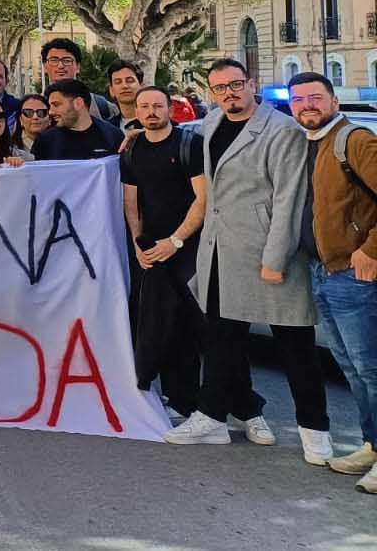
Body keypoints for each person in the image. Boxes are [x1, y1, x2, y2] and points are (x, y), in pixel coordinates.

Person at [164, 59, 329, 465]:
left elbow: (289, 198)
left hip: (269, 253)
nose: (229, 93)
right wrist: (133, 134)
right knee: (222, 340)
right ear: (212, 93)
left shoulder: (282, 130)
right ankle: (212, 418)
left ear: (251, 84)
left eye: (236, 84)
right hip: (222, 252)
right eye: (220, 88)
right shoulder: (211, 123)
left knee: (296, 346)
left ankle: (315, 430)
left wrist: (275, 258)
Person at [288, 71, 377, 492]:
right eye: (299, 99)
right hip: (323, 272)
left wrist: (370, 249)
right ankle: (372, 445)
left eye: (315, 97)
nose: (307, 105)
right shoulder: (308, 142)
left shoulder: (354, 140)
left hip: (354, 274)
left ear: (333, 101)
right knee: (353, 369)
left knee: (371, 369)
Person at [120, 86, 206, 419]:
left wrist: (176, 241)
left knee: (200, 327)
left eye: (157, 105)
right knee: (159, 326)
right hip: (152, 251)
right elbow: (131, 203)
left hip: (189, 248)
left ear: (169, 109)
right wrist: (138, 244)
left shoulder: (189, 144)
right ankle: (177, 400)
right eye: (144, 106)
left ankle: (226, 405)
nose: (151, 112)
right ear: (136, 112)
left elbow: (202, 199)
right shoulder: (131, 149)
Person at [33, 80, 123, 160]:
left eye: (56, 105)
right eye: (50, 106)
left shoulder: (112, 136)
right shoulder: (45, 141)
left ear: (78, 103)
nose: (51, 112)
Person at [39, 38, 112, 118]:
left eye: (67, 60)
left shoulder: (100, 105)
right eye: (54, 60)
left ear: (78, 66)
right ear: (45, 66)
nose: (60, 66)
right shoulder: (36, 106)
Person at [106, 59, 144, 131]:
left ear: (141, 86)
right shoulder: (105, 128)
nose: (124, 86)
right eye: (118, 82)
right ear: (111, 90)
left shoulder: (157, 122)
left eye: (130, 81)